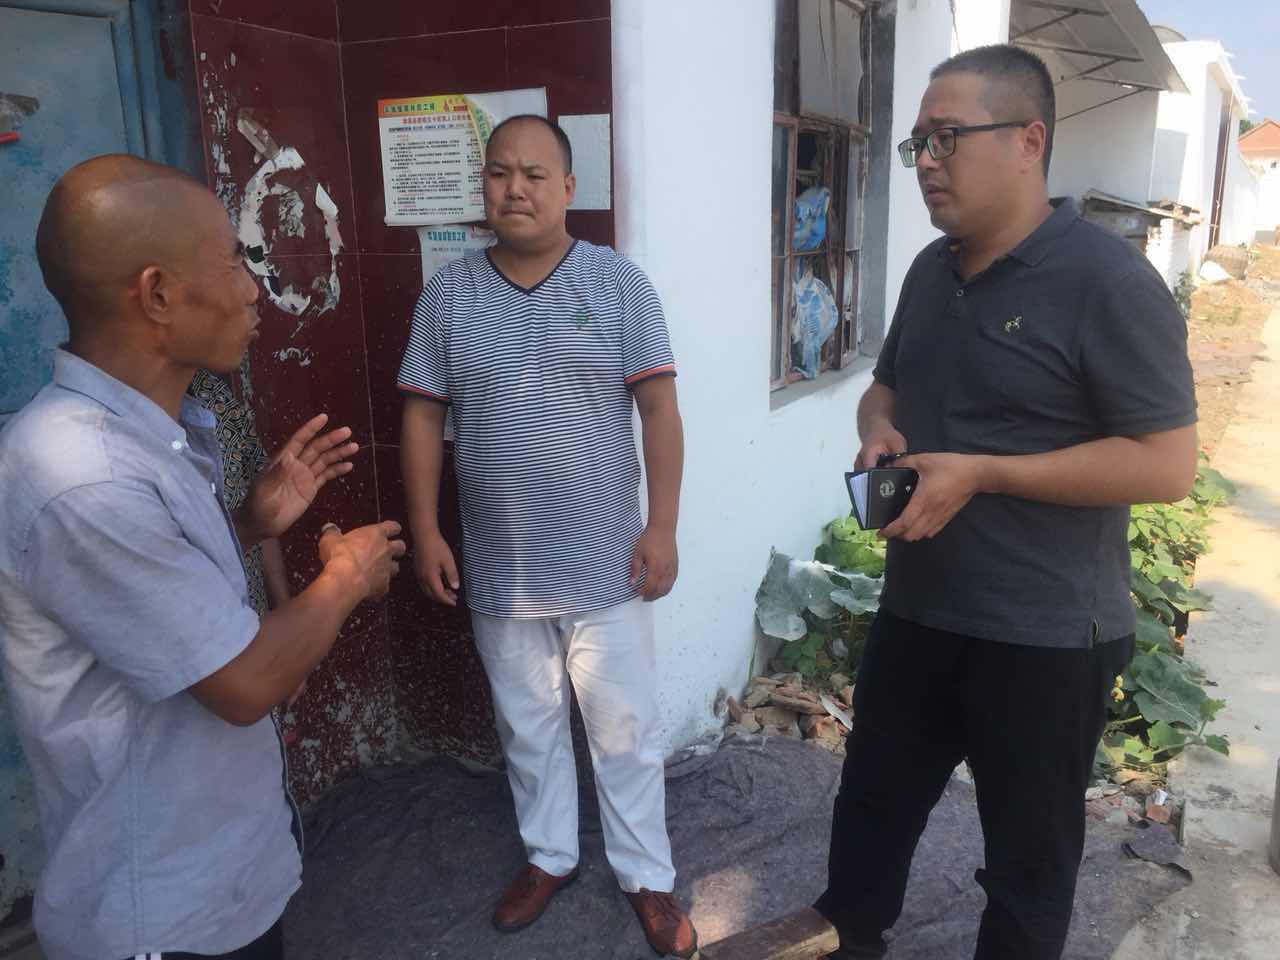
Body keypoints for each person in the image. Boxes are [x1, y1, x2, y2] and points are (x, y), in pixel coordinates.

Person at [814, 46, 1198, 959]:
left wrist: (986, 473)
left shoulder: (1108, 281)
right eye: (918, 142)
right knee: (869, 813)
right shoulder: (929, 271)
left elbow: (1167, 465)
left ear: (1029, 141)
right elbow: (885, 389)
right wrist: (878, 430)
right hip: (919, 608)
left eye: (947, 136)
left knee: (1028, 864)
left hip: (1046, 634)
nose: (926, 161)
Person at [0, 155, 405, 960]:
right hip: (162, 913)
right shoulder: (83, 474)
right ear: (156, 295)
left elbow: (159, 600)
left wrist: (247, 524)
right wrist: (347, 577)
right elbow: (243, 683)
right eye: (233, 262)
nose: (254, 290)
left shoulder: (149, 436)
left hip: (217, 877)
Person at [398, 115, 696, 958]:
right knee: (526, 727)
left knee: (624, 731)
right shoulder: (448, 296)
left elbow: (660, 410)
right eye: (499, 173)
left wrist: (663, 526)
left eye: (535, 174)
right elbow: (421, 417)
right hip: (500, 565)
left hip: (606, 560)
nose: (515, 189)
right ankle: (550, 856)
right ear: (482, 187)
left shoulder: (618, 284)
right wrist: (426, 530)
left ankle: (645, 876)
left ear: (568, 187)